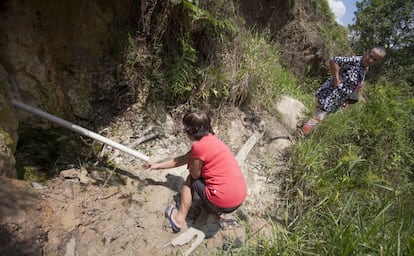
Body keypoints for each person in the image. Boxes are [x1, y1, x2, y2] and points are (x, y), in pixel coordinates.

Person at [144, 110, 247, 233]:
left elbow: (194, 174)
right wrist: (156, 166)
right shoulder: (213, 140)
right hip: (238, 199)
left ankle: (179, 218)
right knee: (205, 181)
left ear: (191, 131)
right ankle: (214, 210)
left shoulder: (198, 147)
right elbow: (182, 159)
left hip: (223, 201)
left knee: (191, 180)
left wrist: (193, 166)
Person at [302, 46, 387, 134]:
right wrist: (336, 80)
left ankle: (303, 129)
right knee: (319, 116)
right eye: (370, 56)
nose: (371, 60)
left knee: (319, 116)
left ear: (378, 62)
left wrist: (346, 100)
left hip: (337, 99)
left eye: (375, 60)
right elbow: (334, 60)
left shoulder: (365, 68)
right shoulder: (355, 61)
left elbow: (354, 85)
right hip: (330, 93)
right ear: (367, 53)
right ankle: (300, 134)